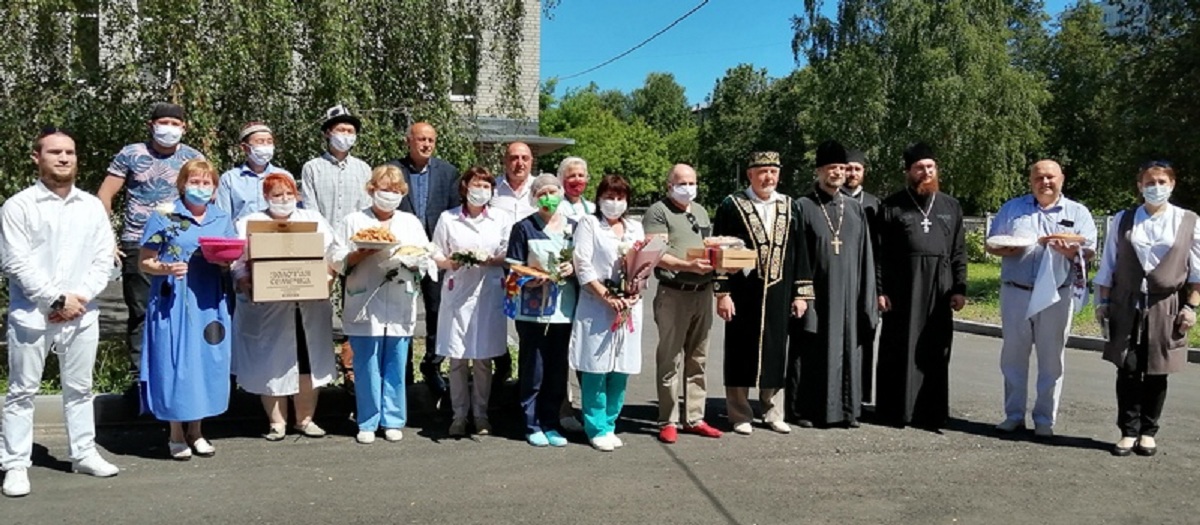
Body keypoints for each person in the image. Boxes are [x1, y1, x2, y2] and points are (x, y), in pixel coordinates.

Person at [1, 128, 120, 497]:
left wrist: (78, 298)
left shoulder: (90, 207)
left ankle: (83, 452)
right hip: (33, 315)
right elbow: (15, 262)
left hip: (82, 313)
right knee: (22, 390)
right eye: (55, 152)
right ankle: (16, 463)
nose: (64, 158)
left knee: (81, 388)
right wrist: (55, 300)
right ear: (37, 158)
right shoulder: (18, 206)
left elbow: (104, 258)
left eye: (70, 151)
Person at [1094, 160, 1200, 457]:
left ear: (1172, 184)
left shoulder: (1188, 220)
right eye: (1149, 182)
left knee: (1157, 368)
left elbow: (1197, 273)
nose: (1156, 188)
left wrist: (1191, 307)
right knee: (1127, 367)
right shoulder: (1124, 219)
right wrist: (1103, 302)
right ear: (1140, 186)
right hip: (1126, 303)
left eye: (1161, 182)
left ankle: (1148, 432)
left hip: (1166, 304)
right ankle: (1127, 431)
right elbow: (1109, 266)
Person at [987, 160, 1097, 437]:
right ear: (1030, 180)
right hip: (1016, 290)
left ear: (1062, 178)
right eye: (1038, 177)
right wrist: (1003, 250)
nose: (1044, 182)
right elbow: (992, 242)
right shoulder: (1012, 208)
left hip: (1057, 295)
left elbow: (1090, 250)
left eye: (1050, 177)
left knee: (1051, 360)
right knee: (1013, 356)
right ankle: (1013, 415)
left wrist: (1070, 252)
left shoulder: (1078, 212)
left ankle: (1045, 420)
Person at [97, 102, 205, 387]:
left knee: (182, 309)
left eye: (175, 123)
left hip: (180, 244)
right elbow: (105, 195)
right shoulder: (131, 153)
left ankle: (177, 373)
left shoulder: (192, 158)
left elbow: (206, 197)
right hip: (137, 242)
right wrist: (107, 238)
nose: (168, 129)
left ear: (184, 127)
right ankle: (140, 380)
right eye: (163, 122)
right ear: (151, 125)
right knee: (142, 311)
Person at [711, 151, 814, 436]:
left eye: (773, 171)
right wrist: (722, 293)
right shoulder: (732, 205)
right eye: (762, 172)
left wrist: (801, 294)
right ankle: (739, 413)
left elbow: (800, 251)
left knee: (775, 351)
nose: (768, 177)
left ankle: (772, 411)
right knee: (739, 350)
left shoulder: (790, 206)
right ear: (750, 174)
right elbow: (717, 251)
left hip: (779, 291)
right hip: (743, 292)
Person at [139, 158, 236, 460]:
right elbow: (144, 260)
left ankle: (197, 430)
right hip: (174, 301)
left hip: (209, 299)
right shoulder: (164, 216)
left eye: (206, 182)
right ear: (182, 184)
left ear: (215, 187)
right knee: (177, 364)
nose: (200, 187)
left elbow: (231, 254)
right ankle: (176, 433)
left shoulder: (221, 218)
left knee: (205, 363)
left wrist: (225, 260)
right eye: (194, 182)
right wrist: (166, 266)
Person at [231, 173, 338, 441]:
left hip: (309, 305)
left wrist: (329, 277)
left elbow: (332, 253)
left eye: (289, 194)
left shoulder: (312, 220)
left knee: (306, 360)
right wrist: (244, 280)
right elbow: (237, 260)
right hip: (267, 307)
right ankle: (276, 422)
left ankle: (305, 419)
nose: (284, 199)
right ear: (266, 197)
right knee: (271, 361)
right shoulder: (248, 223)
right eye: (277, 195)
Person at [330, 165, 428, 444]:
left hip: (399, 299)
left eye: (396, 190)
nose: (390, 194)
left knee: (396, 361)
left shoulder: (410, 222)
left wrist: (412, 260)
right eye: (385, 189)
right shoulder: (353, 221)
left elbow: (424, 254)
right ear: (372, 189)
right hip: (365, 298)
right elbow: (335, 257)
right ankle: (367, 419)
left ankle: (393, 419)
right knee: (367, 363)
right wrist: (359, 254)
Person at [875, 143, 967, 430]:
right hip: (903, 288)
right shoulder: (891, 205)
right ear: (908, 172)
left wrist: (959, 288)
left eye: (930, 167)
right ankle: (896, 410)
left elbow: (959, 251)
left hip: (940, 290)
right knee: (899, 349)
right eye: (919, 168)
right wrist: (880, 290)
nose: (926, 172)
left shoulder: (951, 206)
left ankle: (931, 412)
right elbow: (880, 254)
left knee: (935, 349)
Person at [788, 141, 878, 429]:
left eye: (841, 168)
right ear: (819, 171)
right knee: (812, 348)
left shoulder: (854, 209)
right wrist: (799, 294)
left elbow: (866, 256)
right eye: (831, 168)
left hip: (849, 294)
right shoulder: (802, 206)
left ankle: (846, 410)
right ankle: (805, 410)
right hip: (816, 293)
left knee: (847, 350)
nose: (838, 172)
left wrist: (867, 296)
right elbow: (794, 254)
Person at [643, 163, 722, 444]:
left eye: (692, 182)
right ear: (669, 186)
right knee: (670, 358)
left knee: (698, 358)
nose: (688, 188)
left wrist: (723, 261)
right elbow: (657, 253)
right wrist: (687, 265)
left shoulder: (699, 211)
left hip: (702, 291)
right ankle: (668, 419)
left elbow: (708, 245)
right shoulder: (658, 211)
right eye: (682, 183)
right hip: (674, 292)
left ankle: (695, 417)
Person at [430, 167, 510, 437]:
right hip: (458, 291)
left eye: (487, 186)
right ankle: (458, 415)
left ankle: (481, 414)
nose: (481, 191)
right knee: (457, 357)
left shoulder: (500, 218)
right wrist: (450, 261)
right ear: (464, 187)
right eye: (476, 185)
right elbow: (437, 252)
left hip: (488, 290)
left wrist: (491, 260)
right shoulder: (448, 218)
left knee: (483, 358)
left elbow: (508, 252)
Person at [571, 174, 645, 452]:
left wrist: (636, 289)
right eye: (609, 197)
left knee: (620, 368)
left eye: (620, 198)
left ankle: (611, 422)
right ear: (599, 199)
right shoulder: (589, 224)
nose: (615, 203)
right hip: (597, 305)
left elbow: (644, 264)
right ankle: (596, 426)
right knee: (596, 368)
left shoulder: (634, 228)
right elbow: (583, 264)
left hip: (628, 306)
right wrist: (605, 295)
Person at [301, 105, 372, 386]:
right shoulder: (312, 168)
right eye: (341, 129)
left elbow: (366, 212)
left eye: (351, 131)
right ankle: (318, 368)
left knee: (355, 308)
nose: (346, 135)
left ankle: (352, 370)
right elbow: (310, 209)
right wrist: (332, 242)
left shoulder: (363, 169)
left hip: (354, 251)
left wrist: (351, 245)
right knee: (319, 310)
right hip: (322, 250)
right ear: (328, 133)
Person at [506, 174, 578, 448]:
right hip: (532, 309)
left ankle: (551, 422)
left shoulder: (573, 227)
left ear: (561, 193)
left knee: (557, 367)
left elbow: (582, 261)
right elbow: (513, 267)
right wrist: (530, 278)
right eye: (543, 192)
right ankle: (531, 423)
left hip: (563, 308)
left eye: (553, 191)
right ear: (534, 197)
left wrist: (571, 268)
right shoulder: (523, 228)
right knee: (533, 366)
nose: (548, 196)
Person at [392, 122, 461, 401]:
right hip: (401, 254)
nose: (426, 145)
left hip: (435, 254)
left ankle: (432, 365)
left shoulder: (447, 172)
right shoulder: (393, 170)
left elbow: (454, 211)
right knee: (402, 310)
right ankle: (403, 369)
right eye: (421, 139)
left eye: (431, 140)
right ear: (409, 141)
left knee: (436, 310)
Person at [489, 142, 536, 384]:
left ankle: (527, 380)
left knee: (527, 327)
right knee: (493, 319)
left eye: (524, 158)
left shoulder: (540, 190)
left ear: (531, 161)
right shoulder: (492, 190)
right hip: (496, 266)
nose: (519, 163)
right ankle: (501, 367)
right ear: (505, 161)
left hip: (531, 271)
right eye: (514, 158)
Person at [552, 156, 591, 432]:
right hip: (563, 287)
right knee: (562, 349)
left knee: (585, 348)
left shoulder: (592, 208)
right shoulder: (557, 206)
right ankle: (563, 407)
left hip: (588, 288)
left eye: (581, 176)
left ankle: (589, 407)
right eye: (571, 176)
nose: (576, 181)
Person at [841, 148, 883, 405]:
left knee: (864, 338)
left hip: (866, 281)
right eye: (848, 168)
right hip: (838, 279)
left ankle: (861, 397)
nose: (852, 173)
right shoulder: (829, 201)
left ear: (864, 172)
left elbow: (881, 250)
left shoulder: (874, 205)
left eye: (857, 169)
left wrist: (879, 289)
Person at [215, 122, 294, 221]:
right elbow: (223, 218)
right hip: (241, 234)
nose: (266, 146)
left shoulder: (284, 177)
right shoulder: (230, 179)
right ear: (245, 147)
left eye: (269, 142)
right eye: (260, 142)